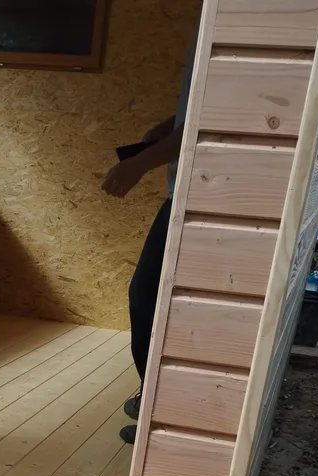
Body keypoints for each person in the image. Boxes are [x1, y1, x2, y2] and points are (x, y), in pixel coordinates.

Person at [102, 34, 198, 444]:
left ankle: (158, 413)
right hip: (186, 193)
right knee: (150, 299)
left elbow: (207, 119)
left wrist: (139, 163)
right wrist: (165, 129)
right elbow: (196, 106)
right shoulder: (210, 18)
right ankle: (155, 399)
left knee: (147, 297)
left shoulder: (228, 14)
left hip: (195, 195)